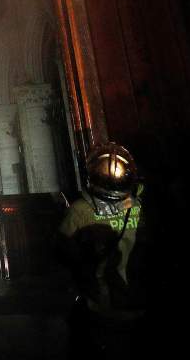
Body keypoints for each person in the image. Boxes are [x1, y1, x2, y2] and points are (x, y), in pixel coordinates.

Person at [58, 141, 148, 359]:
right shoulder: (142, 207)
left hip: (100, 307)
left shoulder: (79, 211)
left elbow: (62, 253)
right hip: (141, 303)